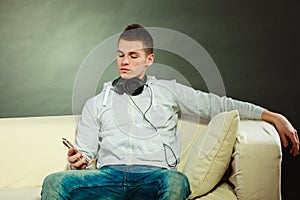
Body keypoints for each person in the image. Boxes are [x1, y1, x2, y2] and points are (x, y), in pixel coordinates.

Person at [41, 24, 299, 200]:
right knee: (54, 182)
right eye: (120, 55)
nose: (124, 61)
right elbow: (85, 151)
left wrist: (272, 116)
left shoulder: (169, 91)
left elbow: (218, 104)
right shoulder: (97, 102)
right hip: (108, 176)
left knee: (177, 183)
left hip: (156, 177)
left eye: (133, 55)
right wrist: (81, 159)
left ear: (149, 60)